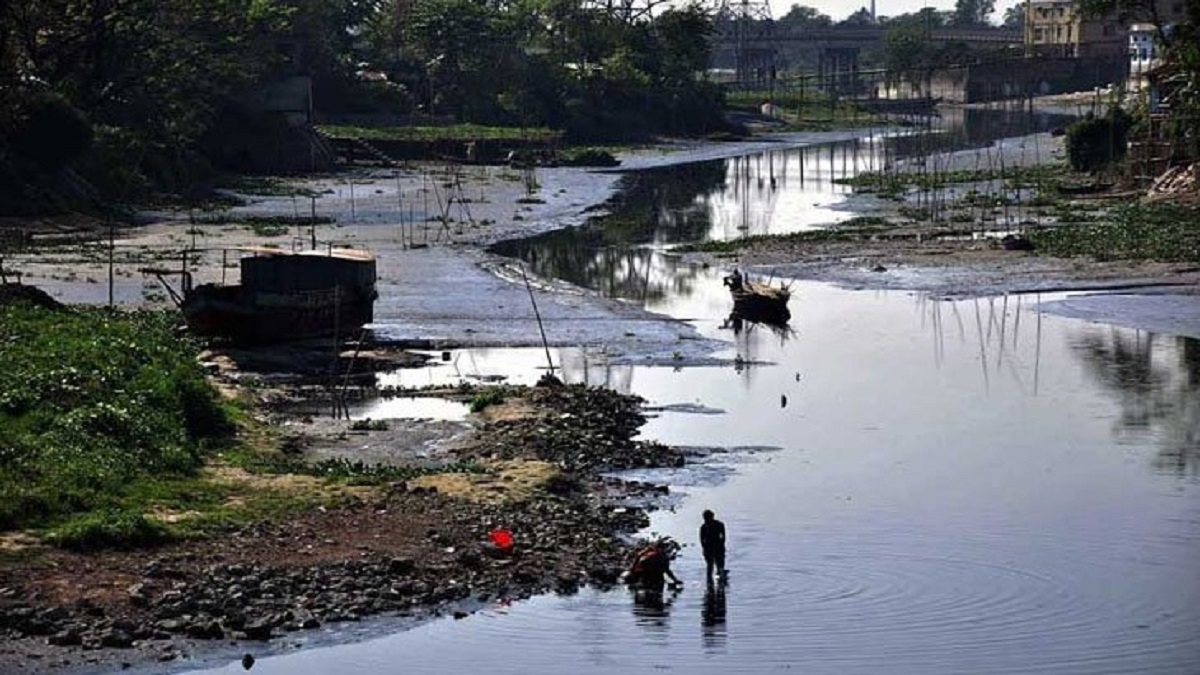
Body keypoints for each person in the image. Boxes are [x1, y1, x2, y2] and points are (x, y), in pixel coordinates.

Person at [699, 509, 726, 584]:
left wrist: (722, 546)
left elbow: (723, 537)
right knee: (712, 566)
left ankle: (714, 583)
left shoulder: (718, 524)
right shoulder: (704, 526)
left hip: (716, 547)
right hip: (711, 547)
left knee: (717, 566)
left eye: (707, 518)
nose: (706, 520)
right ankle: (712, 583)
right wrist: (704, 548)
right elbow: (701, 539)